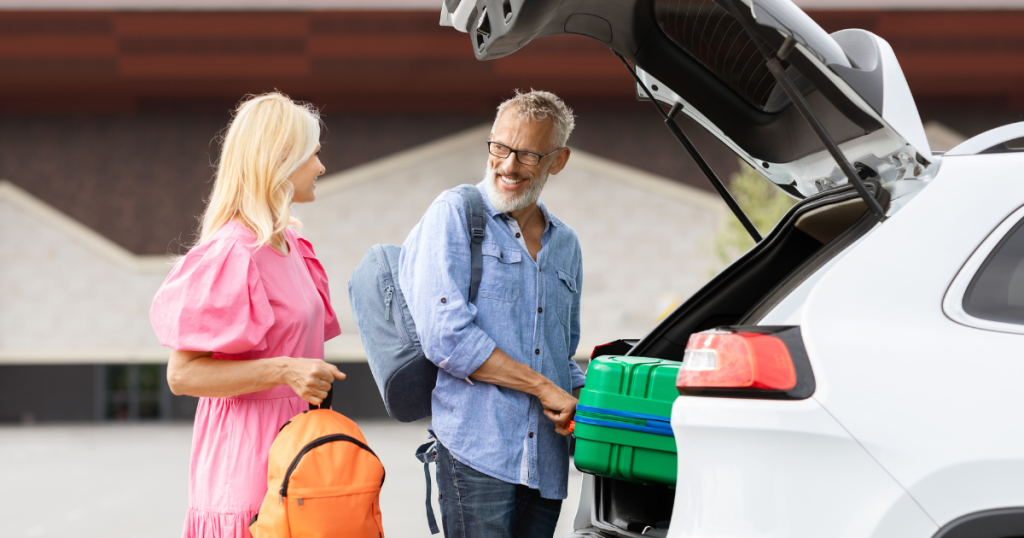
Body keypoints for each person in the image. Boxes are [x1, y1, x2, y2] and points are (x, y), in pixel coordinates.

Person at [149, 92, 345, 538]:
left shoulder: (293, 248)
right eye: (313, 154)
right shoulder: (231, 253)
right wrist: (284, 369)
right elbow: (182, 376)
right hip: (246, 465)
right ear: (280, 161)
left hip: (301, 452)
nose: (321, 167)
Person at [400, 89, 585, 538]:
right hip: (476, 454)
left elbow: (561, 355)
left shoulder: (567, 245)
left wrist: (592, 401)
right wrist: (544, 388)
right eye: (499, 147)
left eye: (526, 154)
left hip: (545, 465)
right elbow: (448, 338)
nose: (507, 165)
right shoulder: (455, 214)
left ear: (557, 161)